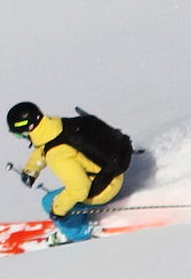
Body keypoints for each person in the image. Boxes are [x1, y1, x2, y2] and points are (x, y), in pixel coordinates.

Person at [7, 101, 134, 242]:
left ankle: (80, 233)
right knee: (63, 198)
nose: (22, 138)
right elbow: (45, 146)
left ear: (28, 129)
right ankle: (77, 216)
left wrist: (58, 210)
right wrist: (32, 170)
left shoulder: (57, 155)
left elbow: (79, 189)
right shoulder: (57, 126)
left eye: (19, 135)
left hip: (104, 188)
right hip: (111, 171)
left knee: (49, 202)